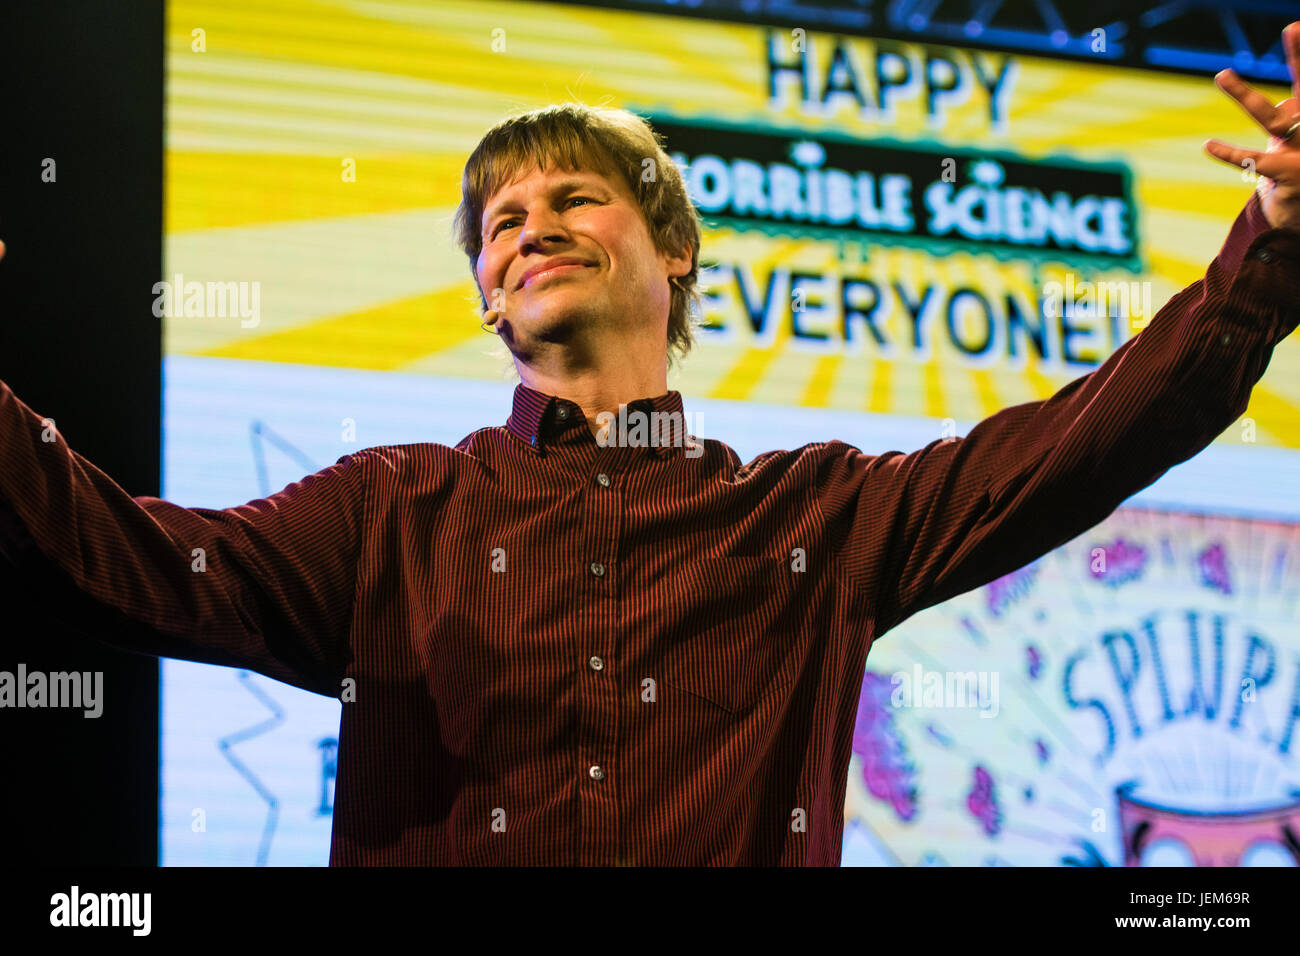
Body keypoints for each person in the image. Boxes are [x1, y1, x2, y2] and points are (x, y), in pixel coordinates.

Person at [2, 24, 1300, 866]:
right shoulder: (387, 512)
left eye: (576, 197)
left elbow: (1100, 434)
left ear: (673, 255)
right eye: (500, 223)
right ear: (486, 297)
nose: (530, 226)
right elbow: (120, 559)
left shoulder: (816, 522)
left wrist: (1275, 242)